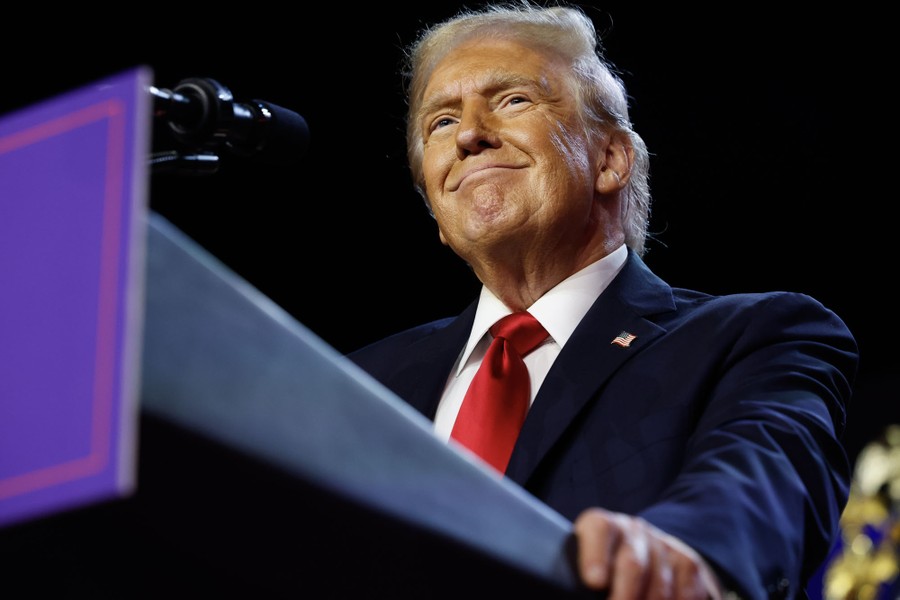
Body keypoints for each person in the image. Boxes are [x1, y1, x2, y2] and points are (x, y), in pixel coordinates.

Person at [347, 2, 859, 599]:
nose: (468, 135)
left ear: (611, 159)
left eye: (512, 100)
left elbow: (764, 473)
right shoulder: (360, 383)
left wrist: (683, 551)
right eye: (439, 122)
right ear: (436, 206)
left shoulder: (751, 337)